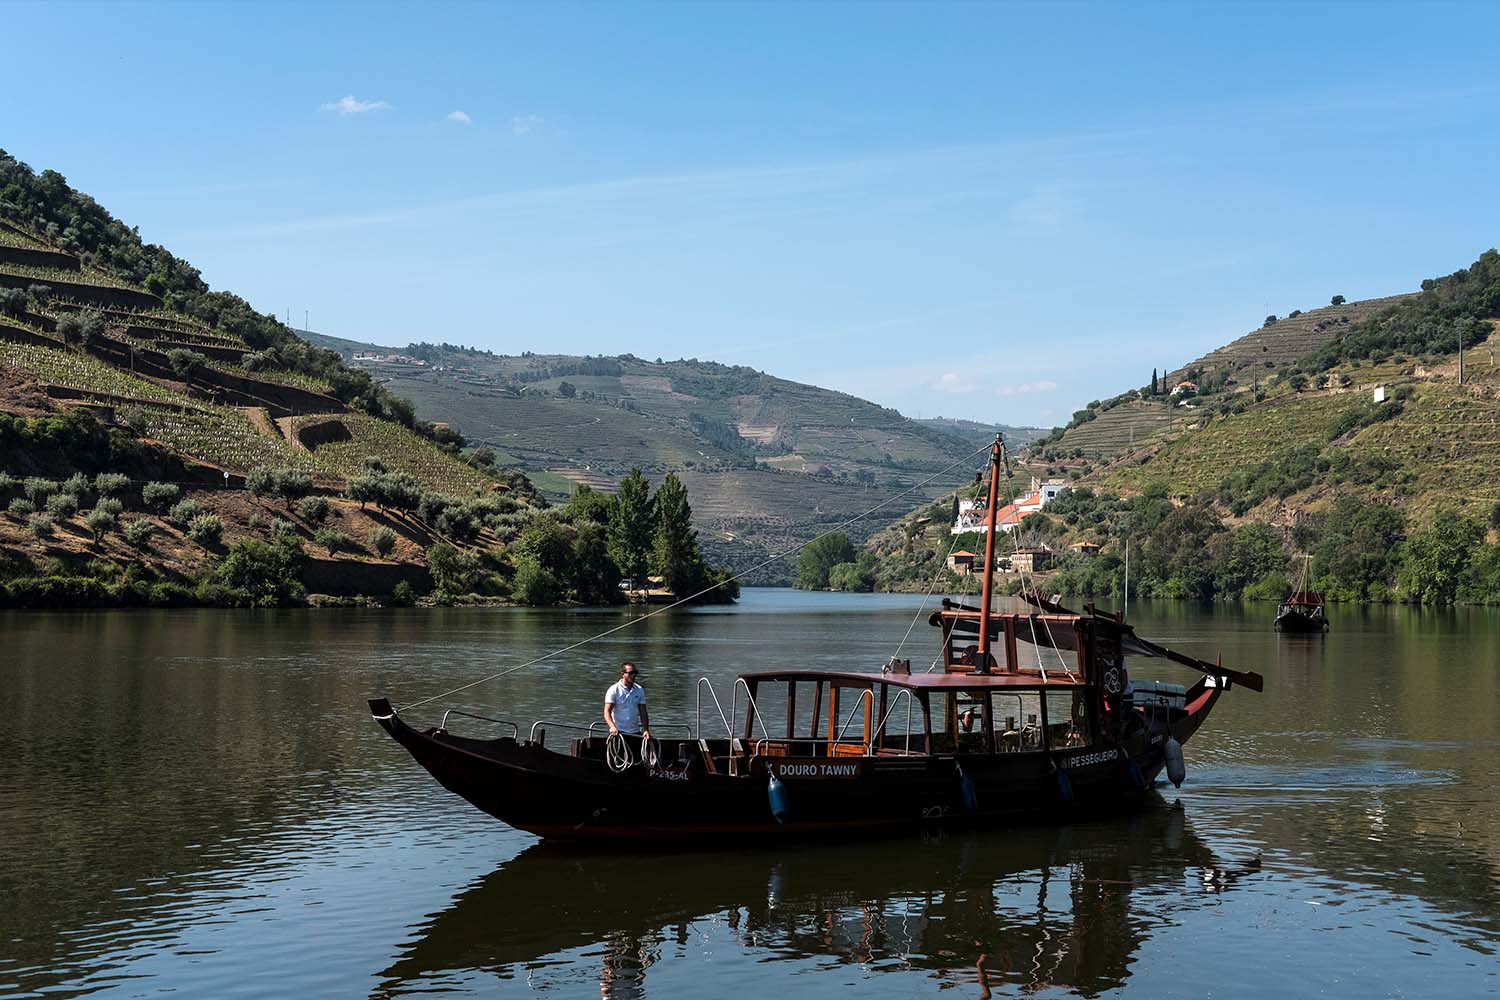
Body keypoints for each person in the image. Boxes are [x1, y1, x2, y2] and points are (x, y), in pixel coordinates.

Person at [604, 661, 651, 744]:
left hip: (635, 732)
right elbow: (607, 712)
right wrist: (612, 727)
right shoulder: (614, 690)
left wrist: (646, 730)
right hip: (618, 732)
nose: (633, 676)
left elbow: (643, 712)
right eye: (630, 673)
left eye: (635, 673)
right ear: (622, 674)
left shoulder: (639, 690)